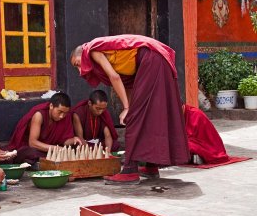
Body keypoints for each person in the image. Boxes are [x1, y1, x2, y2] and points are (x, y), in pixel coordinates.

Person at [71, 34, 190, 184]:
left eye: (77, 64)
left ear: (81, 54)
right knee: (150, 116)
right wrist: (130, 106)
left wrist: (128, 108)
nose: (79, 71)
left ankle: (129, 170)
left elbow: (114, 77)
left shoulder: (91, 50)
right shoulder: (114, 59)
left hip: (151, 58)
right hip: (154, 59)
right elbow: (128, 83)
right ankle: (151, 166)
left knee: (135, 117)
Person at [8, 92, 82, 169]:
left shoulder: (66, 117)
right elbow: (32, 143)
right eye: (60, 112)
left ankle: (42, 163)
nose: (62, 116)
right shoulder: (39, 115)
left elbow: (63, 140)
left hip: (50, 149)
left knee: (74, 150)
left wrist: (73, 140)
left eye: (65, 113)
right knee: (30, 153)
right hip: (36, 149)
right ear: (51, 106)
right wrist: (55, 149)